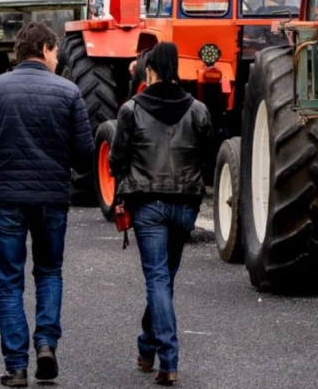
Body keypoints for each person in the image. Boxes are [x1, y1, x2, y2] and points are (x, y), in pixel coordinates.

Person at [0, 22, 94, 387]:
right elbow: (85, 157)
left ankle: (16, 367)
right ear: (47, 49)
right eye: (56, 51)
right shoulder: (68, 92)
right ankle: (46, 345)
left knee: (8, 283)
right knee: (49, 272)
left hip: (3, 199)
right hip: (51, 198)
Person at [109, 42, 213, 386]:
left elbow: (116, 159)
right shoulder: (198, 109)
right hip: (185, 205)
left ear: (150, 70)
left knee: (157, 280)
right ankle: (146, 347)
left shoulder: (131, 110)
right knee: (164, 280)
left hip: (148, 206)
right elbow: (208, 157)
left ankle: (167, 360)